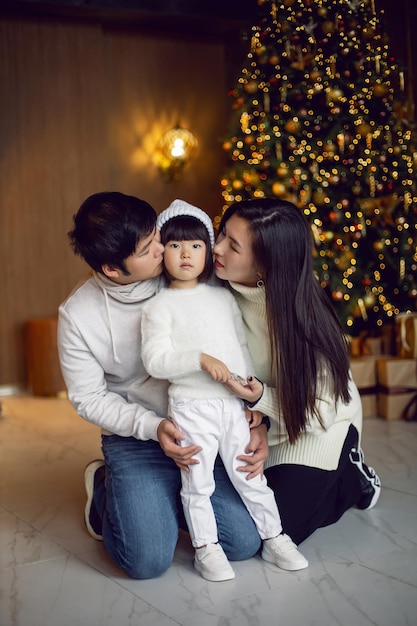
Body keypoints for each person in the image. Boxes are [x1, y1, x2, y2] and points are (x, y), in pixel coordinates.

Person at [57, 191, 265, 580]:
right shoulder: (78, 316)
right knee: (147, 562)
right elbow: (88, 398)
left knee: (243, 543)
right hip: (138, 435)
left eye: (157, 236)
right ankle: (106, 489)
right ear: (113, 269)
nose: (164, 249)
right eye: (149, 247)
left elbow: (238, 348)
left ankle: (169, 500)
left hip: (203, 423)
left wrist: (255, 418)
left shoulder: (188, 279)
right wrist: (152, 427)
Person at [140, 200, 308, 582]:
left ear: (206, 249)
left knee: (249, 474)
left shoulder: (223, 297)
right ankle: (206, 547)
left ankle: (275, 536)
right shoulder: (160, 306)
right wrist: (198, 358)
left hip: (231, 405)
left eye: (197, 245)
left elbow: (241, 347)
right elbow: (155, 361)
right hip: (191, 407)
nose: (186, 254)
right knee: (198, 482)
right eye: (175, 245)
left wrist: (253, 400)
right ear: (160, 251)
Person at [213, 198, 381, 546]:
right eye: (221, 235)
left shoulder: (305, 320)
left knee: (280, 530)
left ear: (263, 265)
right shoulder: (215, 289)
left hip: (315, 426)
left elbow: (321, 414)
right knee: (239, 519)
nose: (217, 248)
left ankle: (352, 476)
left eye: (233, 245)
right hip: (255, 424)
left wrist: (260, 399)